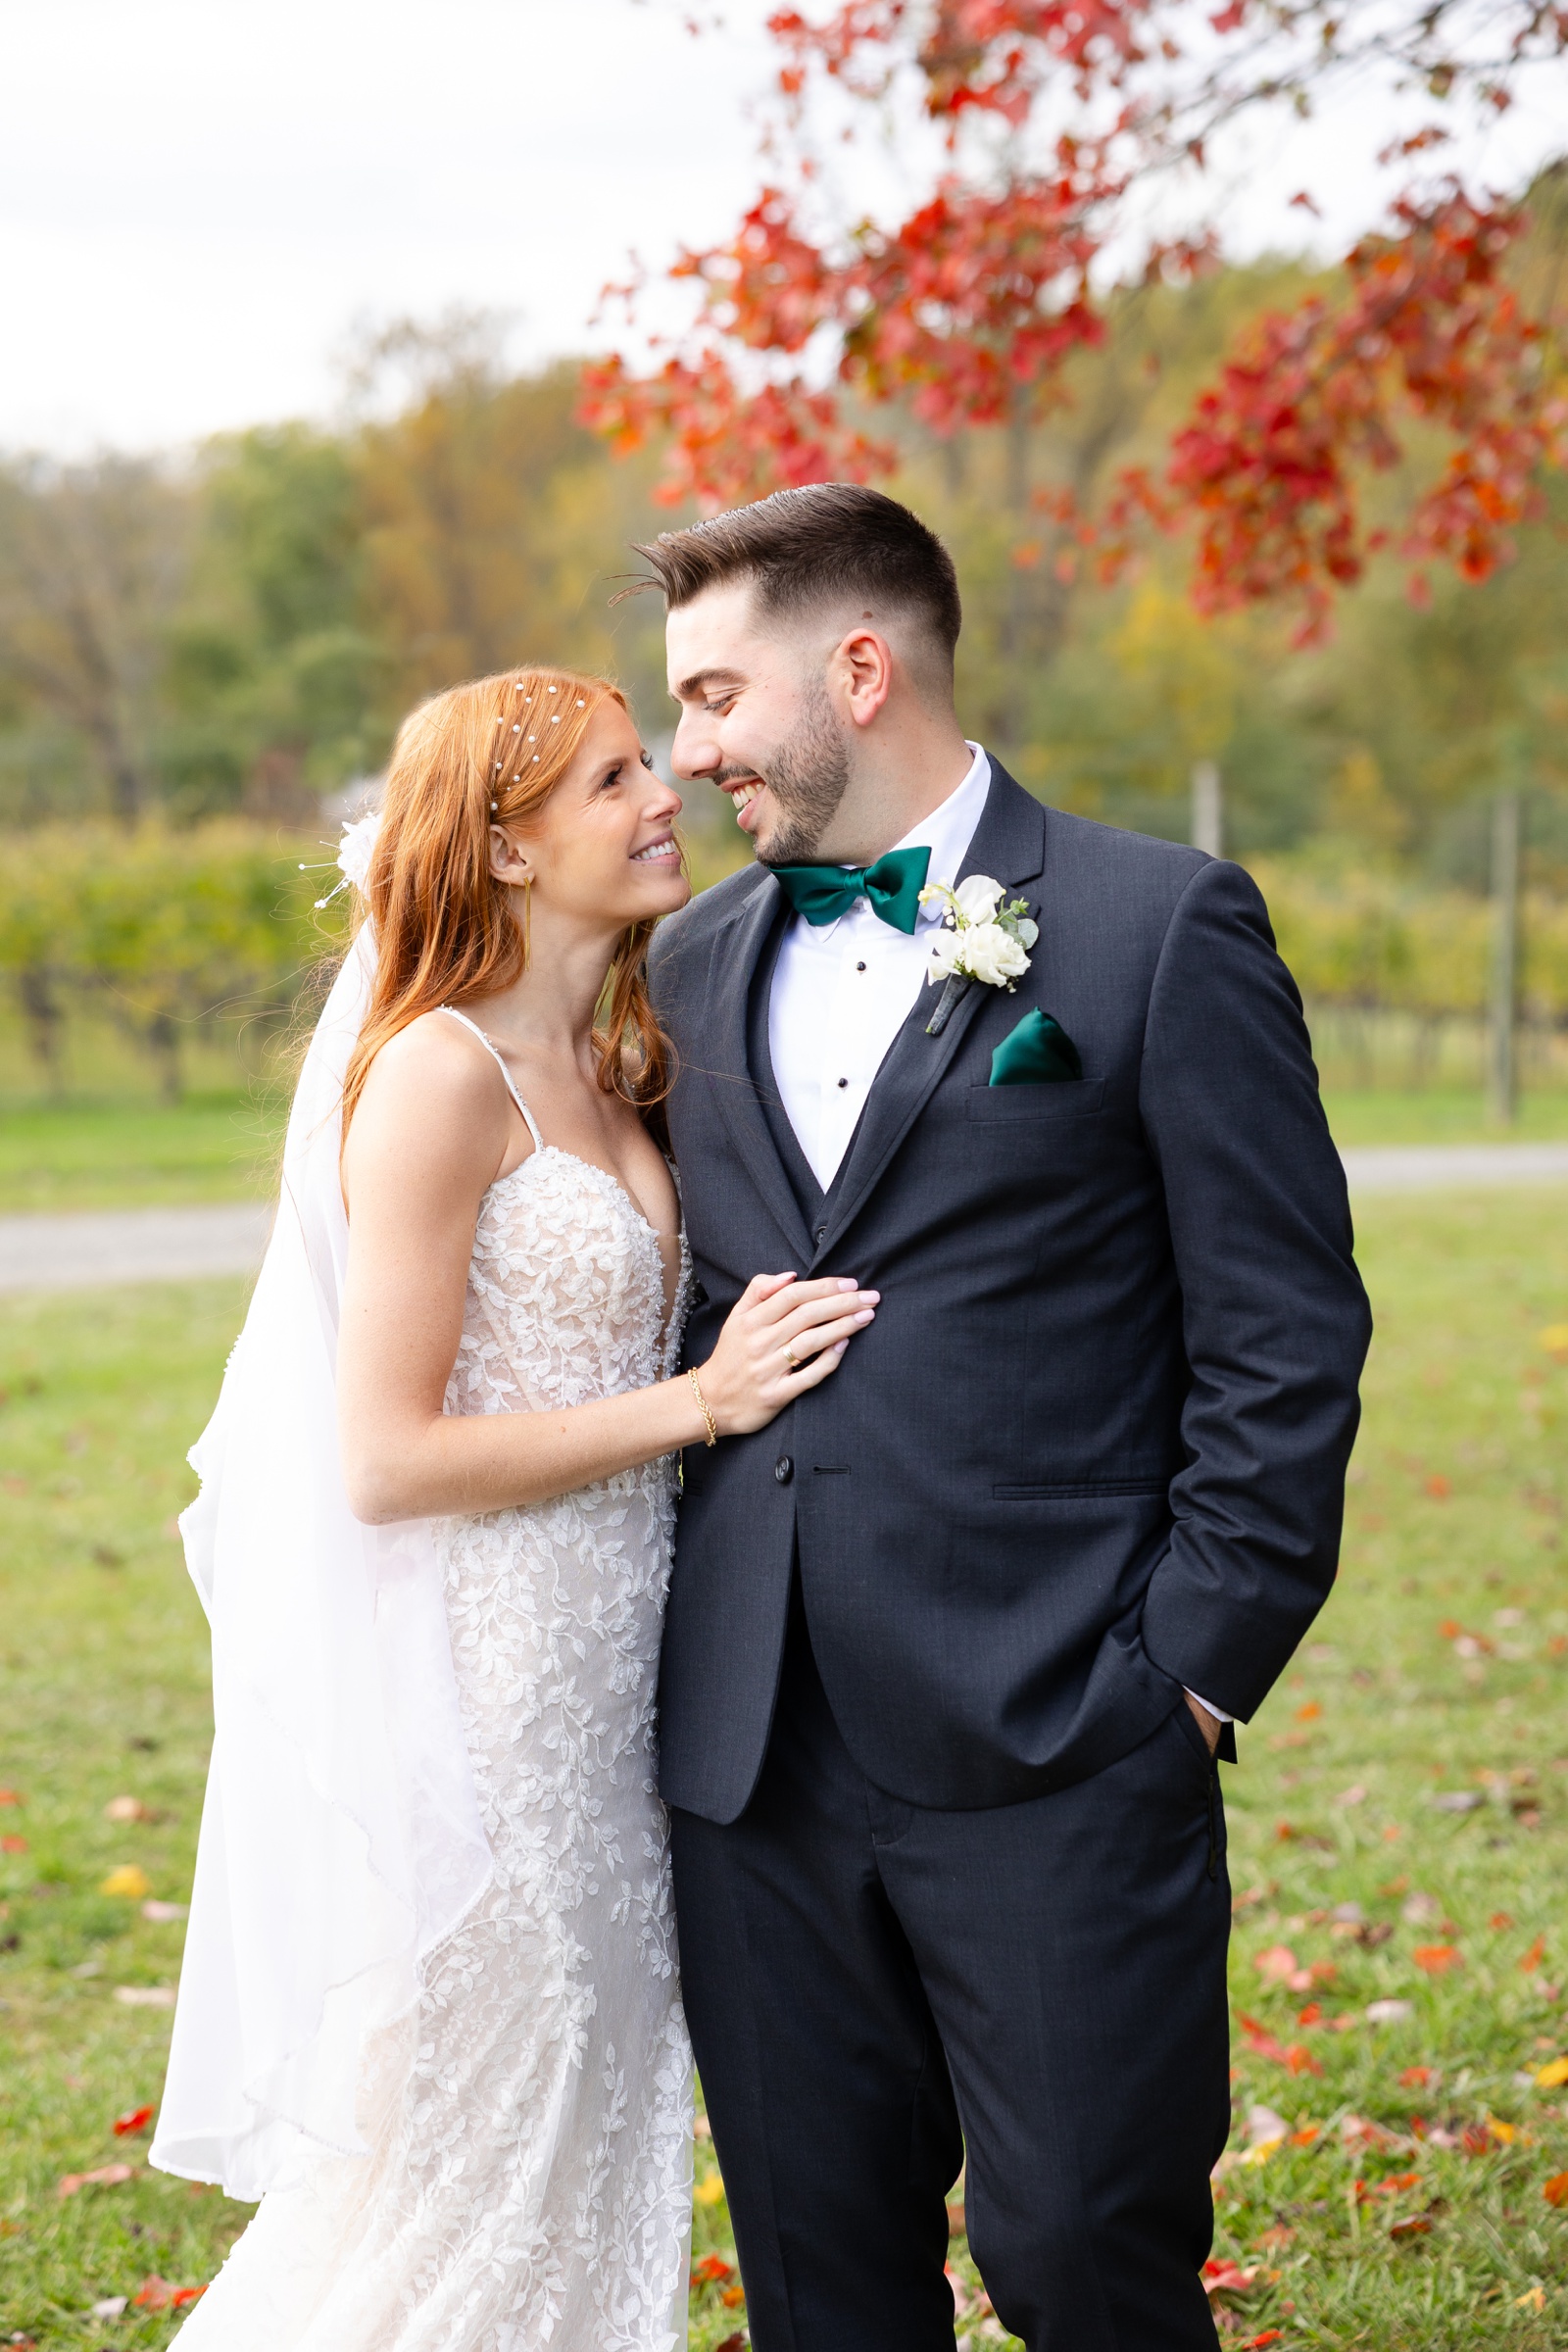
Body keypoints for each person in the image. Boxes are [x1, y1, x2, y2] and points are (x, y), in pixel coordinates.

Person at [639, 484, 1374, 2352]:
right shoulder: (687, 967)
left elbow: (1283, 1335)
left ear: (860, 671)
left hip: (1061, 1731)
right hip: (751, 1757)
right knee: (823, 2290)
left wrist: (1187, 1673)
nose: (688, 748)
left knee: (1085, 2268)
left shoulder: (1154, 925)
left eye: (719, 696)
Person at [151, 664, 877, 2351]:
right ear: (500, 848)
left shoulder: (623, 1058)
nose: (661, 796)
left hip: (625, 1684)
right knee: (472, 2149)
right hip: (484, 1693)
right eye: (613, 780)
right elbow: (386, 1458)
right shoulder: (436, 1079)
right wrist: (696, 1404)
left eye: (651, 765)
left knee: (591, 2121)